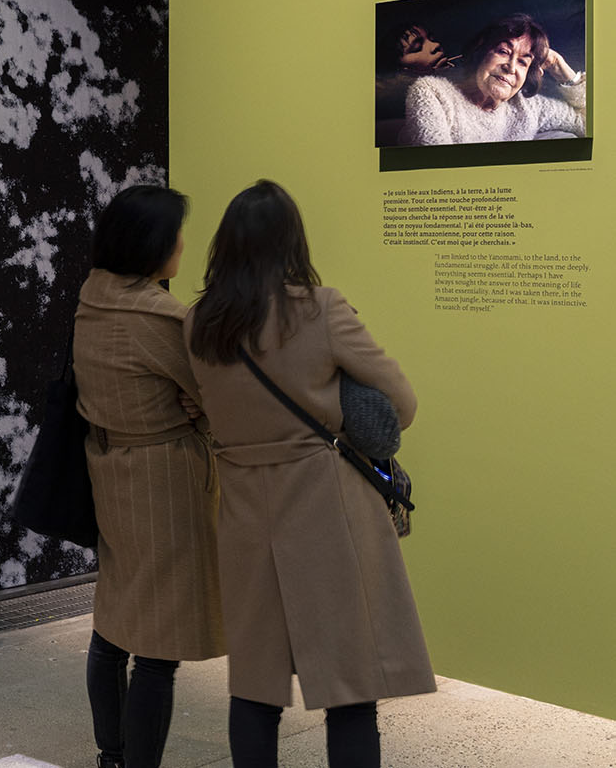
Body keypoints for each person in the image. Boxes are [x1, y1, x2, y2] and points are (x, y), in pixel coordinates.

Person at [184, 180, 434, 768]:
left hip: (244, 511)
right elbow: (402, 404)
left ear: (225, 244)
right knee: (351, 688)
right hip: (327, 511)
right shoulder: (320, 310)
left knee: (255, 687)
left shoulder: (197, 323)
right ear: (291, 241)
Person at [71, 184, 224, 768]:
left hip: (109, 471)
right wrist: (199, 411)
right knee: (159, 647)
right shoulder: (161, 318)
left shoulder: (93, 299)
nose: (183, 243)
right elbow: (220, 396)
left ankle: (112, 756)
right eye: (176, 233)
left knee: (113, 625)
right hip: (164, 482)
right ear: (154, 245)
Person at [398, 13, 585, 145]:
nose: (511, 67)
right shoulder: (431, 92)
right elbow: (439, 168)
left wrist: (558, 66)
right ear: (481, 51)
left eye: (523, 62)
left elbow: (588, 124)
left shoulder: (529, 107)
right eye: (503, 52)